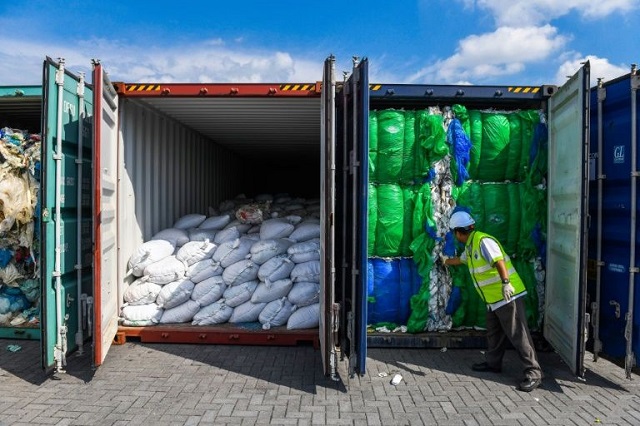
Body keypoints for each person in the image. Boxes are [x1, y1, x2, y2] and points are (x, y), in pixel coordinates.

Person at [442, 211, 543, 392]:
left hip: (507, 296)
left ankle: (533, 373)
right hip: (493, 300)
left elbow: (499, 262)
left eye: (454, 233)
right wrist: (446, 261)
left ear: (458, 232)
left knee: (518, 334)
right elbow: (462, 260)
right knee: (494, 333)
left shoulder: (483, 242)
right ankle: (493, 363)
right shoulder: (471, 246)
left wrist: (506, 284)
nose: (454, 236)